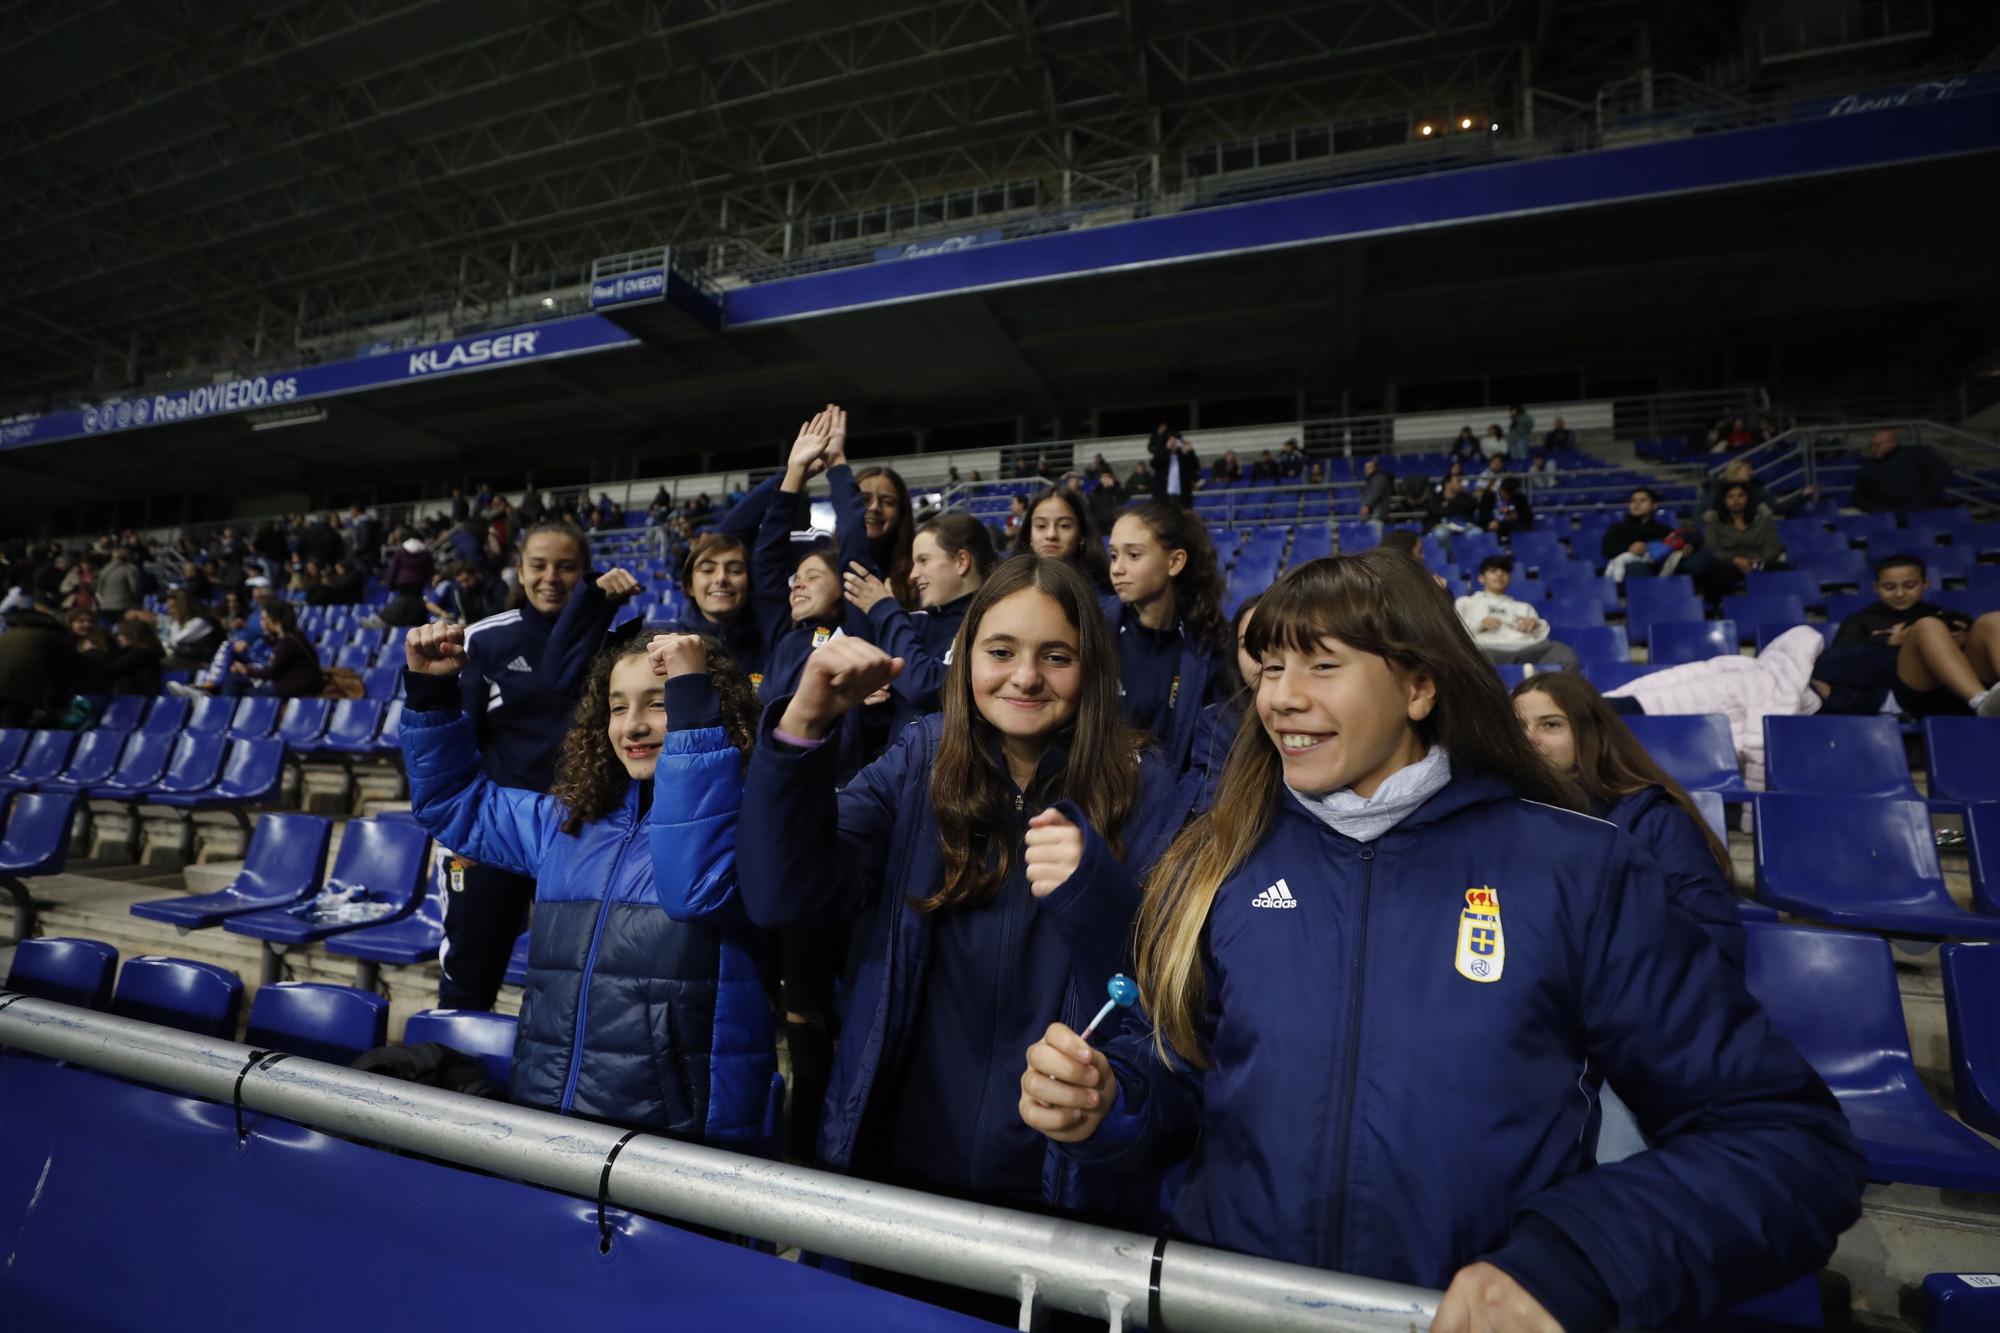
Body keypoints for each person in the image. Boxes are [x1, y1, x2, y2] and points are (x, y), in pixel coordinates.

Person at [1019, 551, 1865, 1333]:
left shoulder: (1577, 864)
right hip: (1235, 1312)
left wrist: (1576, 1260)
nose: (1280, 696)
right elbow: (1190, 1084)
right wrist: (1111, 1101)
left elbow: (1784, 1144)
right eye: (1272, 666)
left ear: (1419, 686)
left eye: (1322, 663)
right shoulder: (1221, 859)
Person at [732, 555, 1197, 1229]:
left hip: (1059, 1197)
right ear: (965, 658)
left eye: (1056, 655)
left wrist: (1098, 893)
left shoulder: (1150, 789)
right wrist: (801, 729)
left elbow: (1165, 1003)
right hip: (897, 1183)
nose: (1026, 676)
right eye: (1001, 651)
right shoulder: (917, 760)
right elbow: (782, 894)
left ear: (1092, 667)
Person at [402, 622, 774, 1141]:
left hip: (674, 1135)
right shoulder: (567, 823)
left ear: (713, 711)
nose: (633, 726)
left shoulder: (751, 829)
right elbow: (451, 805)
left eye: (661, 703)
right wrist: (432, 695)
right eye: (618, 707)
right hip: (546, 1105)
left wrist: (694, 710)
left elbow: (695, 887)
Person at [438, 521, 644, 1013]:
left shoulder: (614, 646)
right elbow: (455, 741)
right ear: (520, 570)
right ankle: (451, 1074)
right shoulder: (486, 640)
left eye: (566, 566)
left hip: (580, 836)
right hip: (496, 834)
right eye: (539, 565)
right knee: (470, 971)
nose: (551, 577)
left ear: (586, 572)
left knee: (570, 985)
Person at [1512, 672, 1742, 969]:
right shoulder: (1498, 817)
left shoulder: (1656, 820)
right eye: (1517, 727)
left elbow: (1715, 940)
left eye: (1551, 724)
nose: (1529, 739)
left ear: (1589, 734)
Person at [1107, 503, 1234, 776]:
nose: (1117, 568)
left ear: (1175, 562)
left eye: (1133, 555)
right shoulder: (1093, 631)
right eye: (1113, 555)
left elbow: (1211, 754)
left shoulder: (1209, 649)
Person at [842, 511, 994, 719]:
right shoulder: (912, 622)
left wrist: (883, 608)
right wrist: (873, 698)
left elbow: (927, 687)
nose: (913, 575)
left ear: (961, 561)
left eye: (923, 560)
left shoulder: (994, 624)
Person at [1814, 554, 2000, 719]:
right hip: (1911, 690)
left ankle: (1984, 698)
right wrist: (1889, 641)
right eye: (1889, 587)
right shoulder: (1860, 619)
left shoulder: (1945, 614)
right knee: (1927, 626)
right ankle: (1980, 701)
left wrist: (1964, 640)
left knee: (1992, 620)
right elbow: (1840, 659)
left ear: (1925, 584)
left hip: (1960, 685)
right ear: (1876, 587)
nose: (1900, 593)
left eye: (1909, 585)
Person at [660, 531, 765, 685]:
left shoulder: (771, 641)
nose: (721, 578)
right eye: (708, 570)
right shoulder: (664, 639)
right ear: (690, 586)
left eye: (735, 570)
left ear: (749, 584)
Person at [1456, 556, 1577, 670]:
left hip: (1527, 651)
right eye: (1493, 571)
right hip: (1488, 649)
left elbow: (1541, 637)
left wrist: (1535, 625)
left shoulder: (1523, 607)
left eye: (1504, 571)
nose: (1500, 574)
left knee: (1563, 653)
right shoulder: (1466, 603)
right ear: (1481, 578)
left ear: (1509, 578)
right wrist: (1480, 624)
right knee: (1476, 658)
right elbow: (1455, 633)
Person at [1012, 483, 1112, 594]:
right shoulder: (1009, 592)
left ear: (1082, 534)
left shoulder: (1105, 599)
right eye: (1041, 526)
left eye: (1064, 526)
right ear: (1029, 533)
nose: (1051, 535)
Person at [1697, 482, 1785, 601]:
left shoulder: (1763, 518)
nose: (1736, 500)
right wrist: (1735, 559)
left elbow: (1773, 547)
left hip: (1758, 563)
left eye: (1741, 496)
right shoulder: (1714, 520)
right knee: (1719, 573)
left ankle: (1779, 607)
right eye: (1731, 497)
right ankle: (1719, 609)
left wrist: (1759, 560)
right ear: (1723, 499)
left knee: (1783, 569)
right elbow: (1713, 549)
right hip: (1729, 563)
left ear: (1748, 497)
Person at [223, 599, 323, 698]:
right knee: (236, 682)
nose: (261, 623)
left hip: (291, 689)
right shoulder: (294, 636)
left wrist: (246, 670)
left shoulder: (286, 643)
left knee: (234, 683)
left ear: (272, 619)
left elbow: (272, 672)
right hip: (297, 686)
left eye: (263, 618)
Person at [0, 602, 75, 728]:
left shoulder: (11, 633)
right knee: (9, 731)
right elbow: (65, 673)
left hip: (12, 688)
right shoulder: (54, 637)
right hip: (18, 693)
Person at [854, 465, 918, 607]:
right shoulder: (827, 561)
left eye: (888, 502)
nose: (874, 507)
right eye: (864, 499)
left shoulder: (917, 570)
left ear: (901, 513)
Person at [1851, 428, 1951, 514]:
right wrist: (1877, 510)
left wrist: (1920, 500)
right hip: (1886, 516)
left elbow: (1940, 473)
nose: (1873, 449)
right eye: (1871, 446)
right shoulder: (1869, 465)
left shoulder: (1917, 454)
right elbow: (1858, 495)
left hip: (1922, 511)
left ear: (1892, 443)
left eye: (1877, 445)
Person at [1601, 488, 1672, 584]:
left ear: (1654, 505)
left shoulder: (1663, 529)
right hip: (1629, 569)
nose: (1637, 504)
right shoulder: (1617, 528)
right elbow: (1607, 550)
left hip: (1659, 567)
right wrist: (1629, 548)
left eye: (1643, 500)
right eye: (1633, 501)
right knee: (1637, 566)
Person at [1149, 429, 1200, 509]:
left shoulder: (1184, 456)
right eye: (1171, 441)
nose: (1174, 444)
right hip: (1164, 494)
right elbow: (1154, 463)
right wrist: (1166, 449)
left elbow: (1195, 467)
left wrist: (1190, 452)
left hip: (1182, 494)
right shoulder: (1163, 455)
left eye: (1176, 441)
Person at [1354, 457, 1393, 528]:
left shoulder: (1378, 477)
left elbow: (1376, 492)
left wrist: (1367, 505)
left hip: (1376, 514)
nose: (1366, 470)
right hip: (1373, 515)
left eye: (1369, 468)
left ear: (1375, 468)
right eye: (1365, 468)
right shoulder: (1374, 478)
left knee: (1375, 534)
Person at [1086, 469, 1126, 534]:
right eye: (1103, 477)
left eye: (1108, 477)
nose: (1106, 479)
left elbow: (1124, 499)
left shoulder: (1117, 490)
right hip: (1099, 525)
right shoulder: (1096, 492)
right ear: (1100, 479)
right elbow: (1092, 508)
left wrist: (1113, 486)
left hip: (1114, 524)